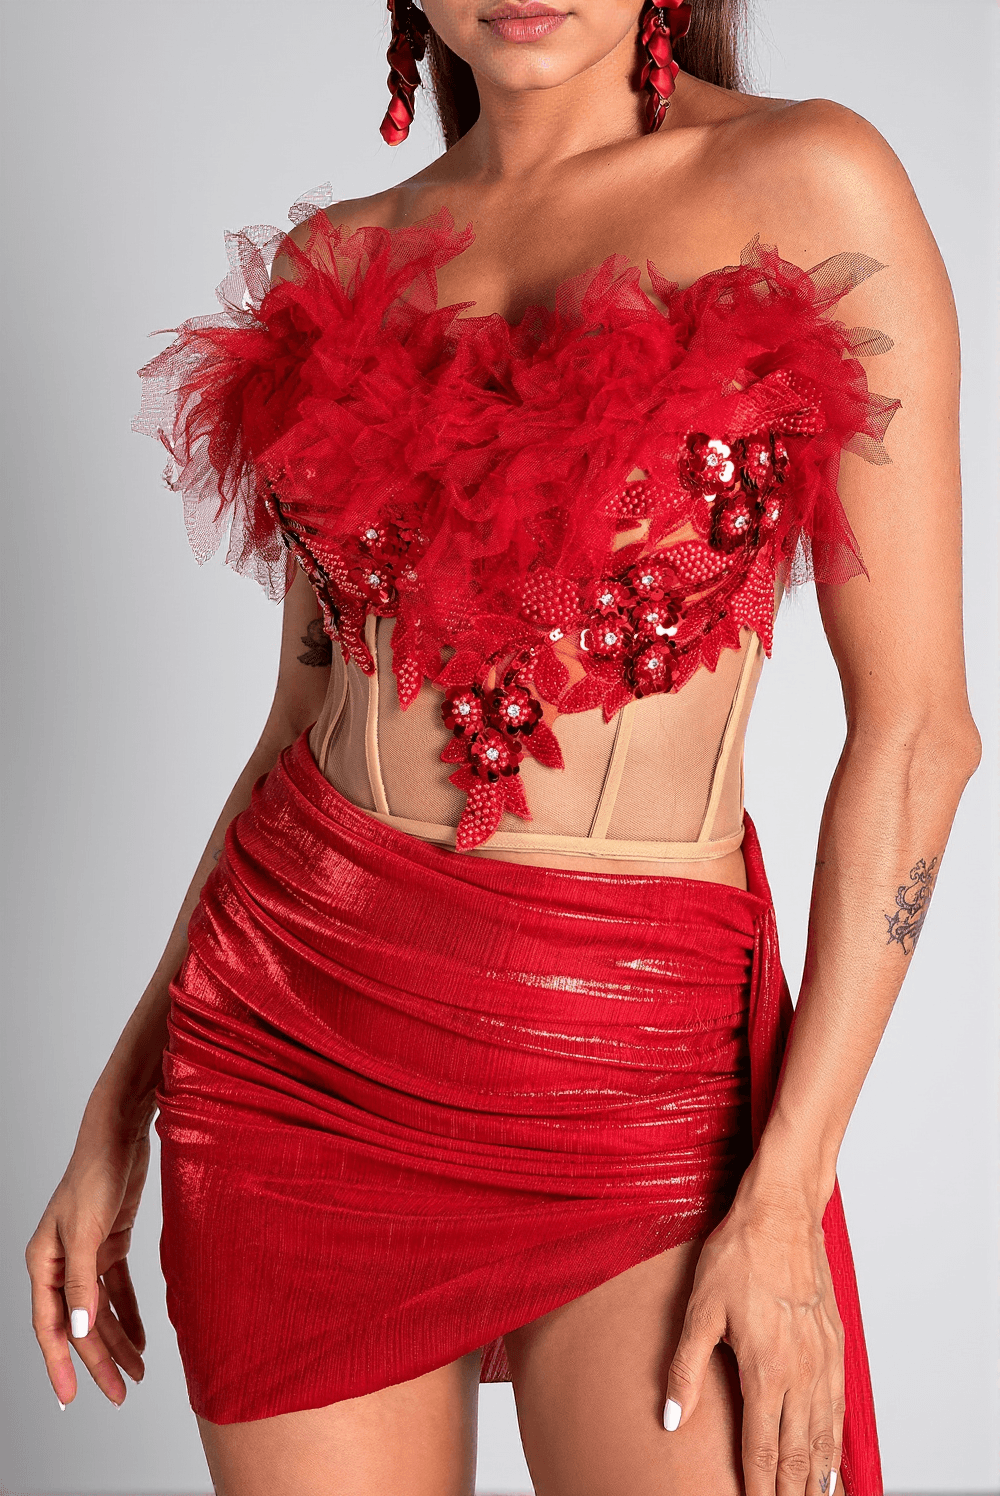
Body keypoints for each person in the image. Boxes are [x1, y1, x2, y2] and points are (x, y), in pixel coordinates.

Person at [24, 3, 980, 1494]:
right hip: (291, 1062)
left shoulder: (810, 181)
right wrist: (121, 1096)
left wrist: (787, 1188)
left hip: (641, 1072)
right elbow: (301, 721)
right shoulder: (335, 263)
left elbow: (917, 735)